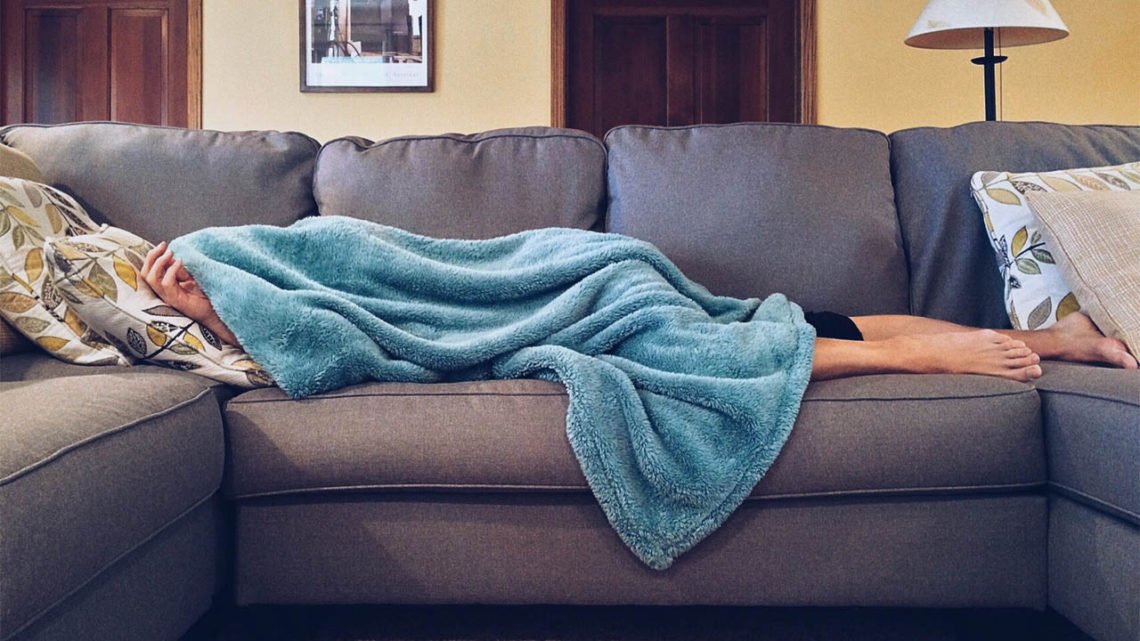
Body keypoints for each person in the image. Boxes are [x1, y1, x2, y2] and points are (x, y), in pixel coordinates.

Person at [139, 240, 1139, 383]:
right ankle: (1055, 337)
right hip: (604, 272)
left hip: (593, 276)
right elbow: (360, 326)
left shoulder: (273, 248)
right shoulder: (265, 269)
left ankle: (933, 357)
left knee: (700, 347)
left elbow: (402, 283)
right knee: (777, 320)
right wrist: (230, 313)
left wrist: (227, 305)